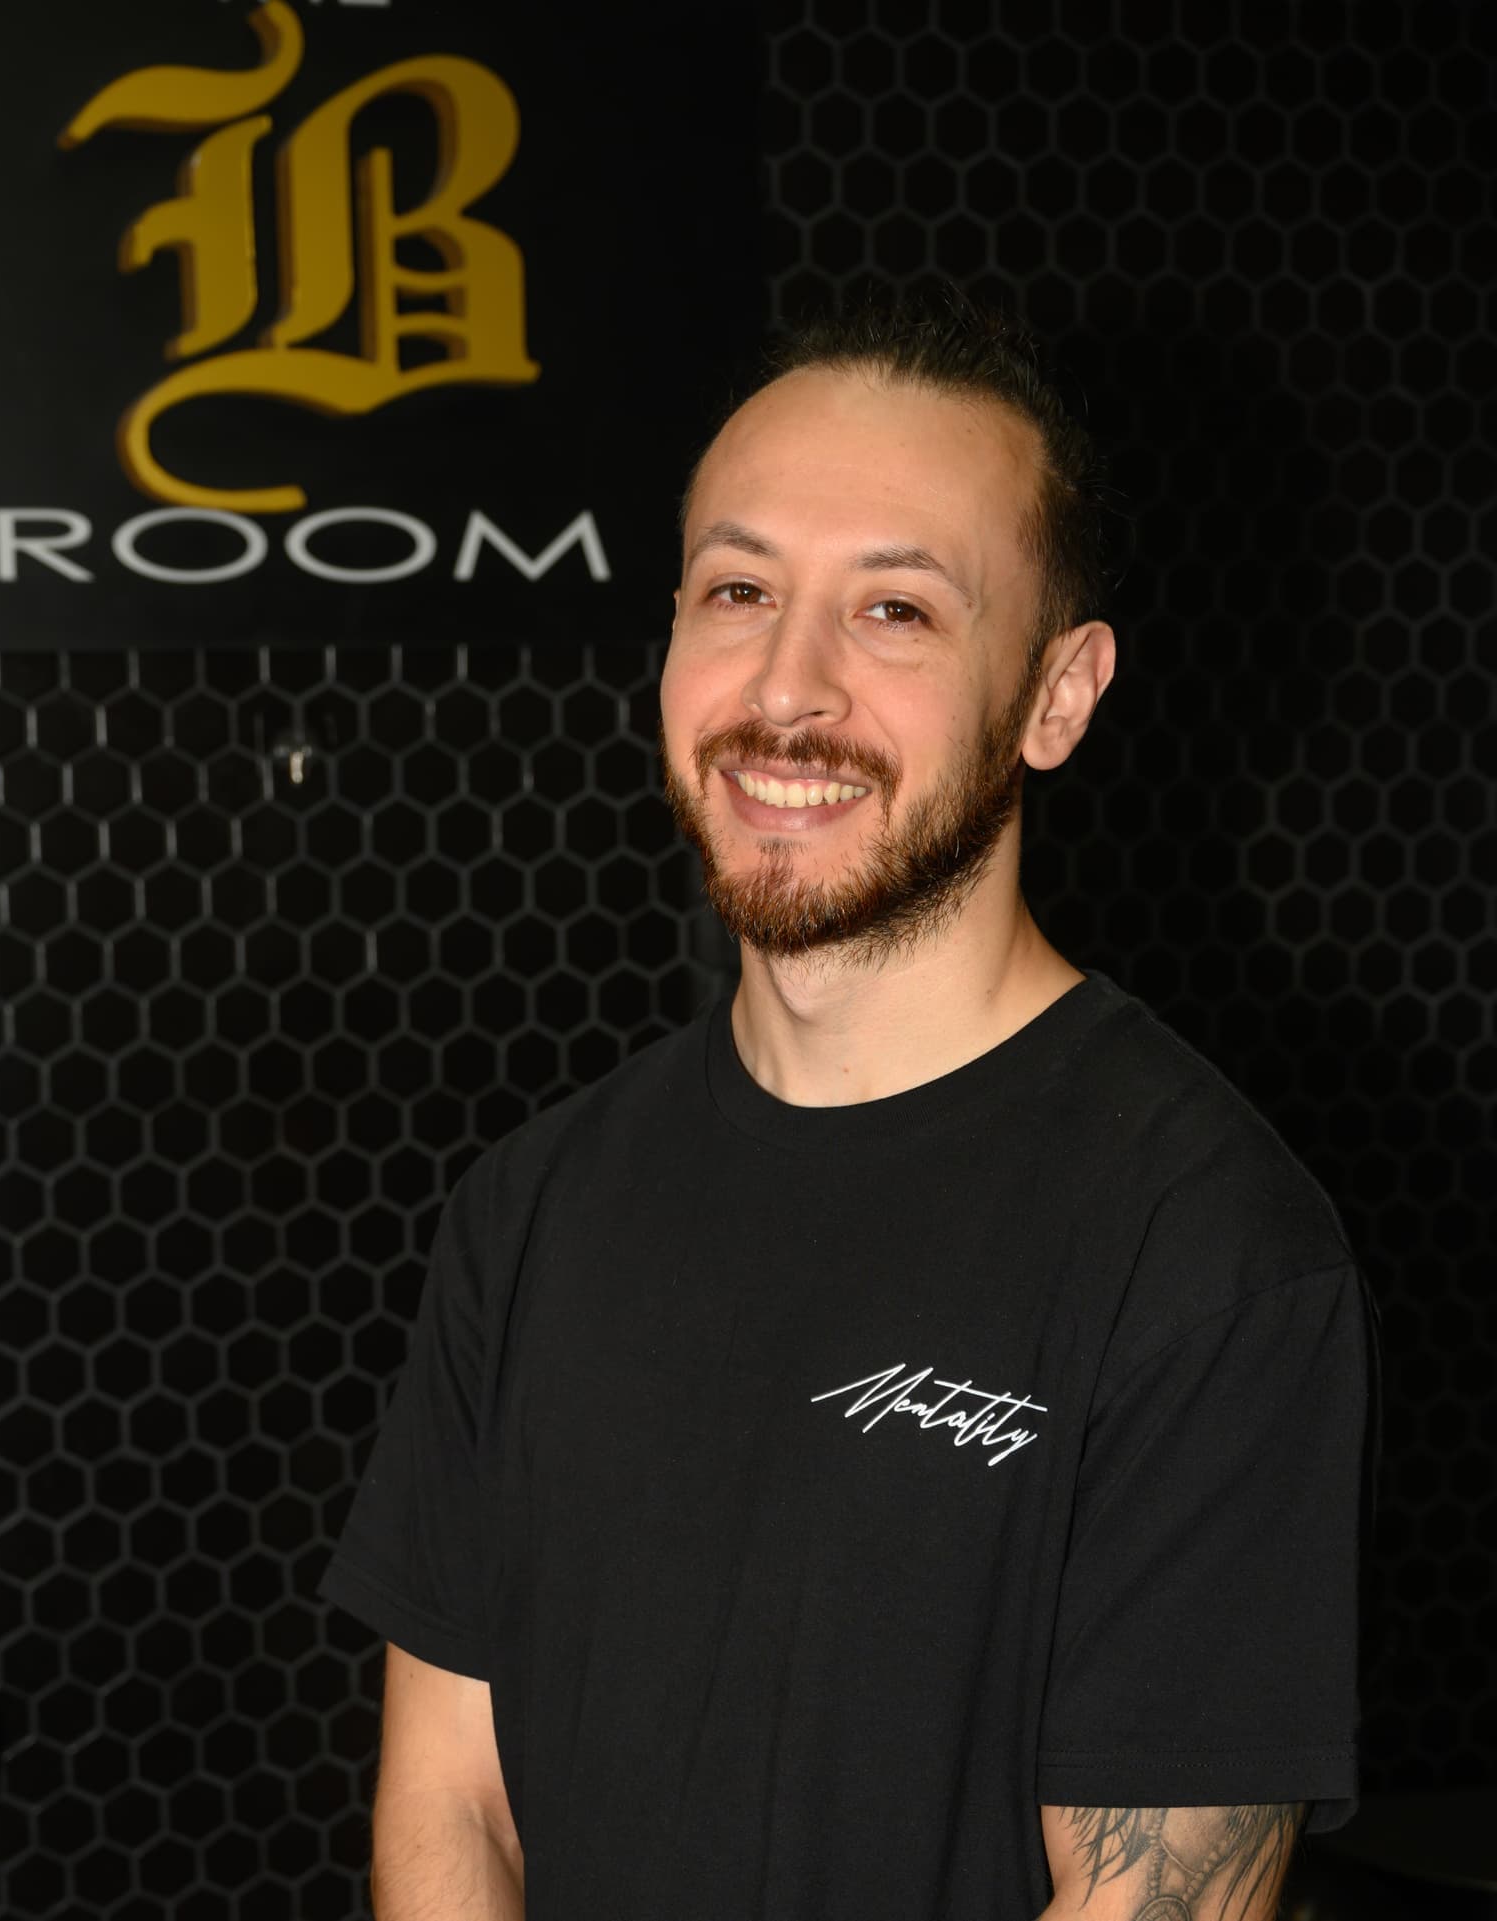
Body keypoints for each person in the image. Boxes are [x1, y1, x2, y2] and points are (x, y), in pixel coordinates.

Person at [318, 289, 1373, 1920]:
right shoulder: (533, 1204)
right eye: (739, 589)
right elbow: (455, 1800)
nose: (785, 688)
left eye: (896, 611)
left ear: (1059, 693)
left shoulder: (1210, 1251)